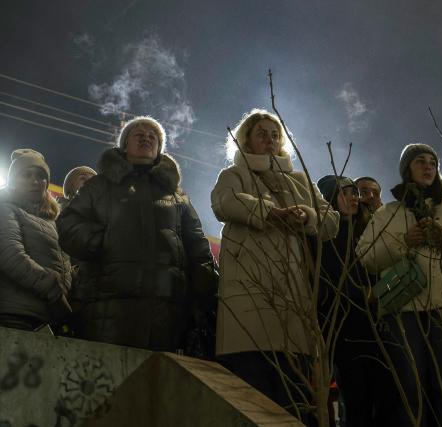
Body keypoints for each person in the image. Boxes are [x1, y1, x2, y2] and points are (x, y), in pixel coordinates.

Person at [211, 108, 339, 420]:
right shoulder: (234, 174)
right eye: (261, 134)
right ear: (246, 140)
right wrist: (269, 212)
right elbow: (223, 202)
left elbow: (331, 220)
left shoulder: (299, 181)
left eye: (275, 134)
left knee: (293, 401)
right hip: (248, 298)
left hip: (292, 301)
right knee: (252, 400)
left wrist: (307, 215)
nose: (269, 140)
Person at [356, 143, 442, 427]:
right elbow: (365, 258)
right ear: (406, 170)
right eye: (420, 161)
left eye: (432, 162)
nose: (428, 166)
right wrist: (404, 242)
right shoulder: (387, 213)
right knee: (408, 390)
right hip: (403, 310)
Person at [56, 116, 215, 352]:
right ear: (124, 145)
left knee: (157, 384)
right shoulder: (99, 186)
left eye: (153, 136)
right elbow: (68, 224)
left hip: (167, 310)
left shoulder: (177, 195)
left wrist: (206, 293)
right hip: (108, 306)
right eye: (138, 134)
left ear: (160, 149)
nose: (146, 138)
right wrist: (104, 241)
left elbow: (197, 245)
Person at [316, 174, 388, 427]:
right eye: (345, 193)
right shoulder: (324, 238)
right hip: (344, 327)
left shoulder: (368, 232)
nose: (354, 197)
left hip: (374, 326)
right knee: (356, 399)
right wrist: (359, 293)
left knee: (381, 398)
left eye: (354, 192)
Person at [0, 149, 72, 331]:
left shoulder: (52, 222)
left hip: (48, 319)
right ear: (13, 181)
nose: (35, 181)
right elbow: (10, 256)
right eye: (26, 175)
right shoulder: (5, 209)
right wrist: (54, 291)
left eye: (41, 176)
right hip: (16, 314)